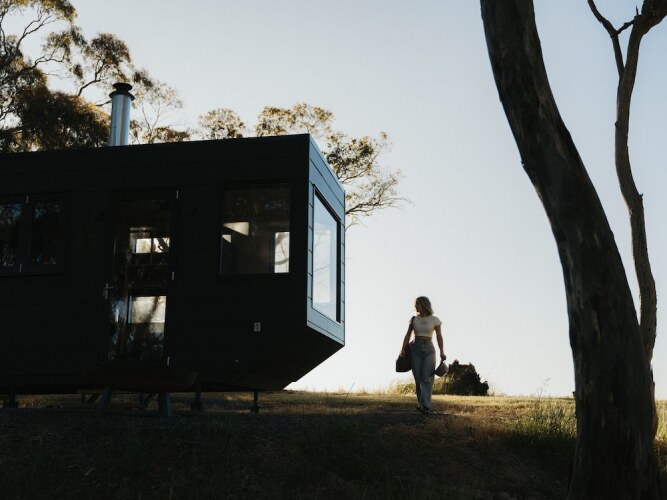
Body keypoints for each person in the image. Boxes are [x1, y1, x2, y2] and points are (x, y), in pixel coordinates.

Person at [400, 296, 445, 414]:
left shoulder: (435, 320)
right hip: (415, 349)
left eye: (417, 304)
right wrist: (403, 349)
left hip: (429, 349)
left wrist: (442, 351)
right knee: (418, 378)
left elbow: (439, 337)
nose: (415, 306)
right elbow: (407, 335)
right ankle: (422, 404)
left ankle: (425, 405)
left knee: (427, 377)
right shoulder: (414, 319)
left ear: (424, 305)